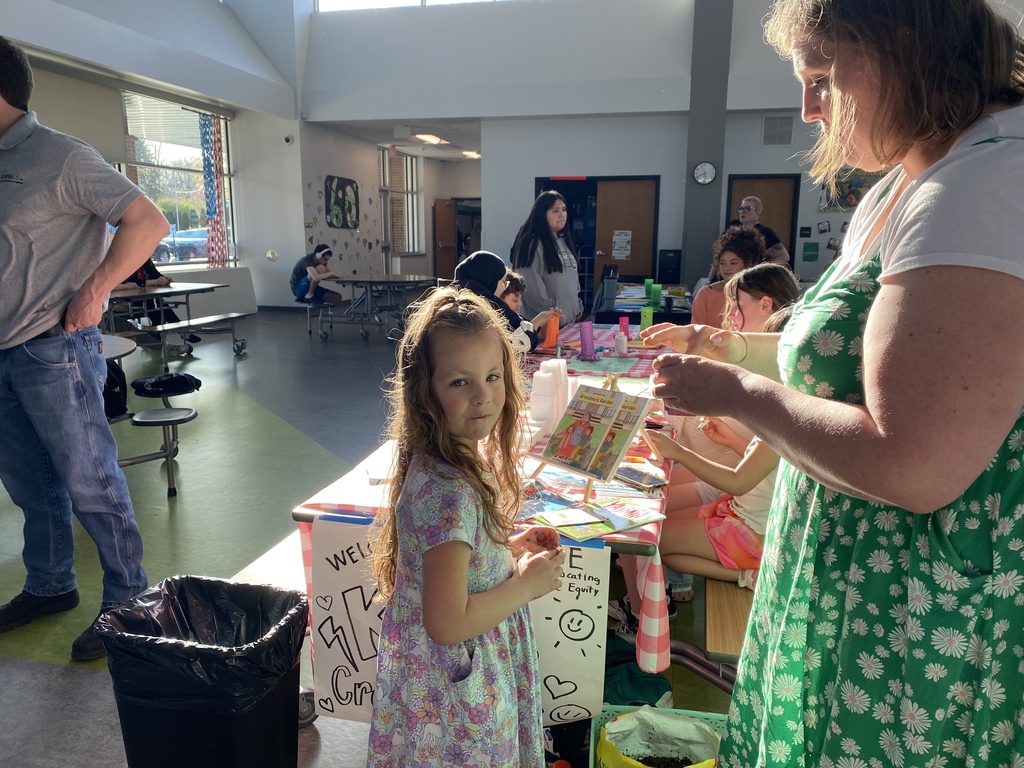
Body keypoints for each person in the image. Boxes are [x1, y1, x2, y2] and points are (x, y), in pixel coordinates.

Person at [643, 1, 1024, 764]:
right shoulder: (908, 181)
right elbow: (838, 361)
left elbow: (913, 463)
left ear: (902, 47)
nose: (809, 108)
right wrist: (725, 351)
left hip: (921, 630)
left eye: (821, 78)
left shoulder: (983, 184)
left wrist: (735, 394)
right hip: (860, 599)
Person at [0, 36, 168, 660]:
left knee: (90, 481)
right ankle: (50, 585)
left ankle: (130, 602)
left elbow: (148, 220)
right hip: (3, 355)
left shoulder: (62, 157)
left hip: (53, 349)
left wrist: (96, 290)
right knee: (28, 484)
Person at [366, 286, 565, 766]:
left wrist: (507, 550)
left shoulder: (445, 461)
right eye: (460, 382)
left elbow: (452, 560)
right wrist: (525, 585)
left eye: (493, 376)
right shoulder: (450, 489)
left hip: (441, 684)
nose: (484, 396)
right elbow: (448, 621)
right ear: (425, 391)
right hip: (458, 696)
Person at [611, 264, 799, 636]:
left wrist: (679, 452)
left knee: (639, 540)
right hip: (741, 511)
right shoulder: (786, 398)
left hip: (748, 522)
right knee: (663, 544)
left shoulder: (784, 405)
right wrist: (729, 439)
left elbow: (741, 479)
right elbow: (765, 462)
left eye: (736, 305)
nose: (729, 316)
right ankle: (741, 575)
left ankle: (640, 619)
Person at [453, 250, 558, 353]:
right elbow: (523, 341)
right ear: (491, 280)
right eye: (504, 282)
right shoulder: (490, 305)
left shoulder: (452, 299)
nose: (504, 287)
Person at [510, 190, 584, 326]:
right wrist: (551, 310)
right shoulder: (532, 244)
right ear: (541, 215)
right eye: (555, 211)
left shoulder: (563, 241)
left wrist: (577, 307)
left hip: (568, 324)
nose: (561, 214)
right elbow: (530, 286)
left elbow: (572, 280)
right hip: (545, 328)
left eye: (564, 209)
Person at [111, 258, 200, 355]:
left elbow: (154, 274)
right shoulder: (125, 261)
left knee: (159, 303)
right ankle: (180, 333)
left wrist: (165, 279)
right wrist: (153, 282)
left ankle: (161, 338)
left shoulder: (145, 260)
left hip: (143, 299)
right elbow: (131, 283)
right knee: (158, 306)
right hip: (127, 301)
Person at [689, 226, 765, 327]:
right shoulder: (705, 295)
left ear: (749, 263)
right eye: (722, 263)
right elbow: (696, 333)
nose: (726, 268)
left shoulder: (761, 294)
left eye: (733, 263)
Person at [731, 195, 792, 267]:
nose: (742, 212)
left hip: (751, 275)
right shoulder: (734, 230)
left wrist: (763, 270)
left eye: (747, 208)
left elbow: (784, 256)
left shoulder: (765, 232)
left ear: (757, 212)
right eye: (741, 208)